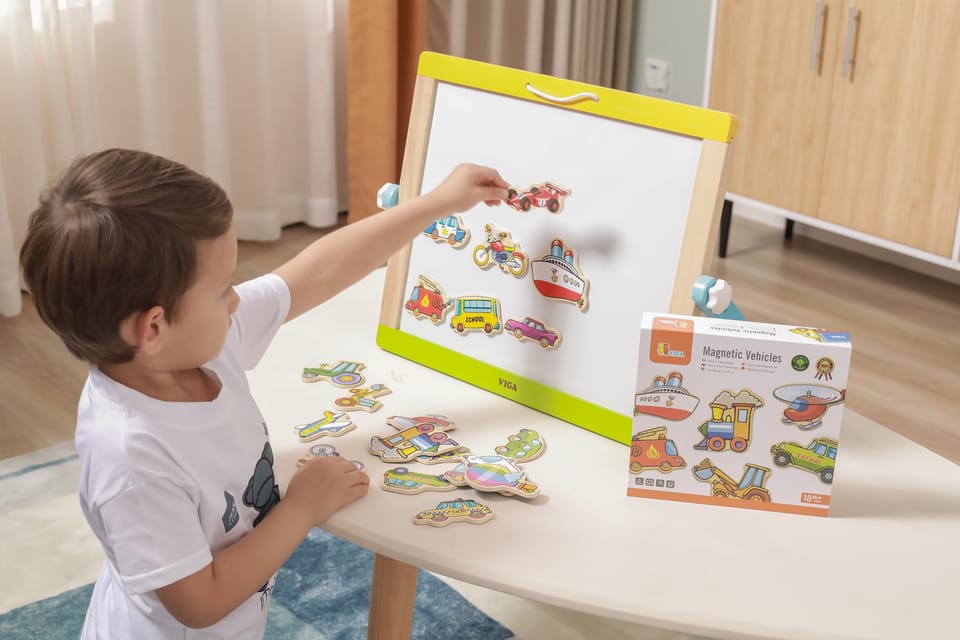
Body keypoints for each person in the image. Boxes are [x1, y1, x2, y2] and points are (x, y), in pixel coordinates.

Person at [18, 148, 508, 639]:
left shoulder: (190, 349)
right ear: (154, 328)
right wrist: (302, 507)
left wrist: (439, 202)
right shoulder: (130, 458)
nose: (236, 299)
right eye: (223, 288)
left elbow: (316, 272)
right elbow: (201, 602)